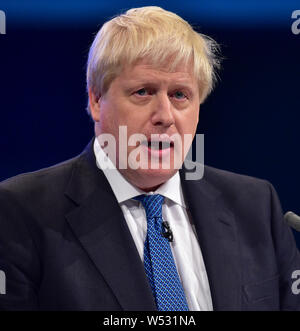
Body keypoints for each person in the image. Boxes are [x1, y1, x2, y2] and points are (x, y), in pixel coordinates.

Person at [0, 6, 300, 311]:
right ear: (95, 100)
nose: (165, 116)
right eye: (143, 92)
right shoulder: (21, 212)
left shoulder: (255, 206)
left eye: (180, 95)